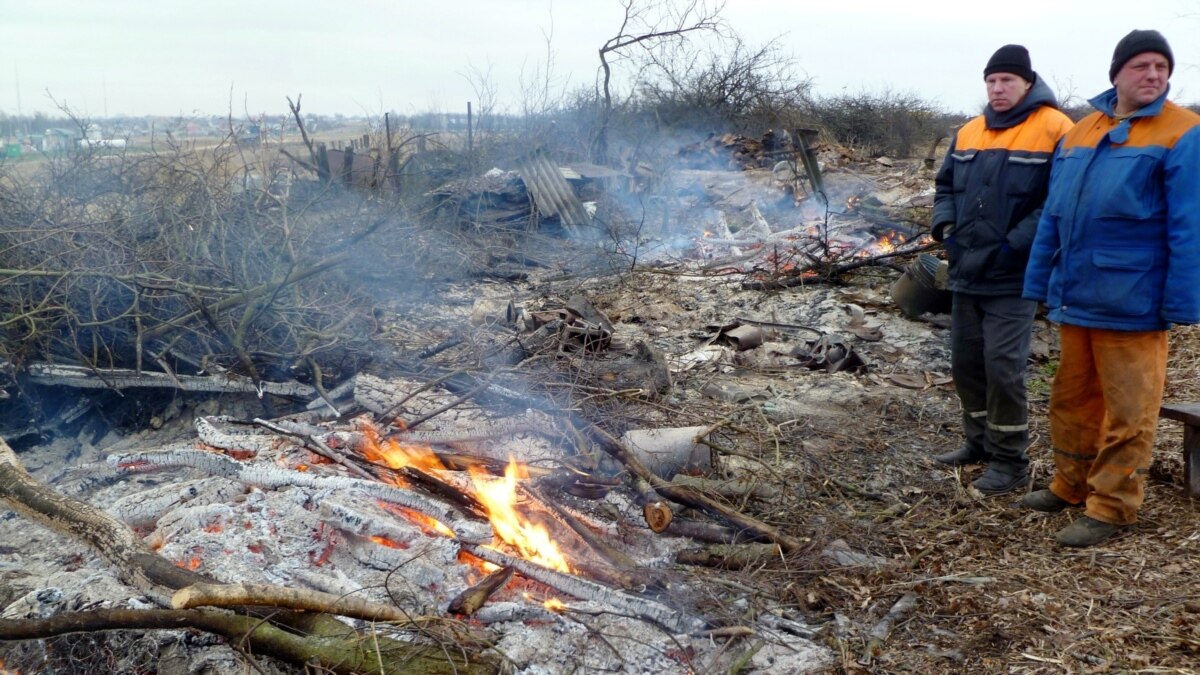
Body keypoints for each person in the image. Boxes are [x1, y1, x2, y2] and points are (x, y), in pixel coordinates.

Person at [1022, 30, 1200, 547]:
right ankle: (1070, 484)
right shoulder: (1081, 132)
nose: (1154, 75)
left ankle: (1112, 506)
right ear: (1116, 73)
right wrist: (1040, 283)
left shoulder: (1183, 132)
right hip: (1077, 295)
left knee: (1130, 412)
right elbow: (1054, 216)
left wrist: (1183, 301)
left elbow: (1190, 225)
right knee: (1071, 398)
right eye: (1142, 66)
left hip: (1135, 302)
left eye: (1162, 68)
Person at [930, 45, 1073, 495]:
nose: (997, 88)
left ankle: (1010, 461)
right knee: (966, 362)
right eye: (991, 81)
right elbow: (946, 186)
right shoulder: (970, 131)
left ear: (1027, 83)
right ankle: (979, 443)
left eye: (1007, 80)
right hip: (966, 270)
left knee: (1004, 366)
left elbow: (1059, 201)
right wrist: (946, 224)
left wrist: (1013, 246)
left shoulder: (1056, 128)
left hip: (1015, 273)